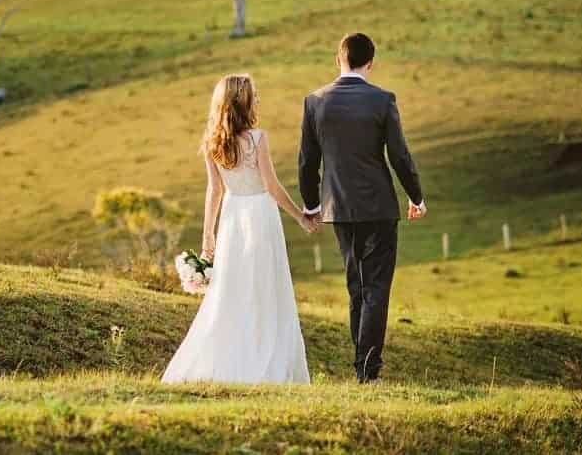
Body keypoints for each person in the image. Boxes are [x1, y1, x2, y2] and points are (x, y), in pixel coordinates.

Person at [161, 73, 312, 384]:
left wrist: (208, 235)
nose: (257, 99)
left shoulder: (212, 141)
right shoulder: (258, 138)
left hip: (232, 217)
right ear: (243, 101)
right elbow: (271, 185)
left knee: (232, 291)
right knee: (265, 287)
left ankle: (231, 360)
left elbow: (214, 190)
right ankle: (264, 360)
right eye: (254, 95)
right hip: (260, 216)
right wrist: (299, 216)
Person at [297, 32, 425, 383]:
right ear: (371, 62)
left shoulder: (315, 102)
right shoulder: (382, 100)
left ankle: (362, 366)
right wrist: (416, 196)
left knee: (356, 285)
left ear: (338, 59)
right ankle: (368, 369)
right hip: (380, 206)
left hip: (338, 209)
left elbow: (308, 162)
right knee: (377, 287)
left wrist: (312, 205)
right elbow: (399, 155)